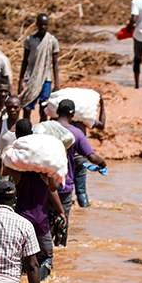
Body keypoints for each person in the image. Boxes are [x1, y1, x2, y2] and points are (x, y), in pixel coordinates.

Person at [9, 120, 65, 280]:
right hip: (41, 219)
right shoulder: (44, 174)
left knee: (19, 259)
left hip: (20, 218)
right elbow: (53, 188)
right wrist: (61, 211)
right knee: (46, 257)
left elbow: (4, 168)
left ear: (17, 135)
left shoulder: (18, 171)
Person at [53, 100, 106, 246]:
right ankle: (61, 249)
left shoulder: (46, 128)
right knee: (63, 219)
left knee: (45, 221)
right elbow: (91, 156)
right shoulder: (76, 133)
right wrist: (103, 164)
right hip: (64, 184)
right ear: (73, 114)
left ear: (57, 112)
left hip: (44, 183)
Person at [19, 13, 61, 121]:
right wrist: (20, 80)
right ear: (37, 24)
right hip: (31, 77)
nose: (43, 27)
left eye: (45, 25)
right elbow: (25, 61)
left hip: (46, 79)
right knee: (27, 107)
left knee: (44, 107)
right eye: (41, 24)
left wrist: (57, 84)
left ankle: (42, 133)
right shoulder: (30, 40)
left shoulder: (52, 41)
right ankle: (26, 131)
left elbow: (55, 64)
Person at [0, 96, 21, 185]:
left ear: (20, 107)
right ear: (5, 108)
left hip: (19, 168)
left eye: (15, 107)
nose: (12, 110)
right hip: (3, 168)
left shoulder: (25, 126)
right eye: (9, 107)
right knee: (3, 194)